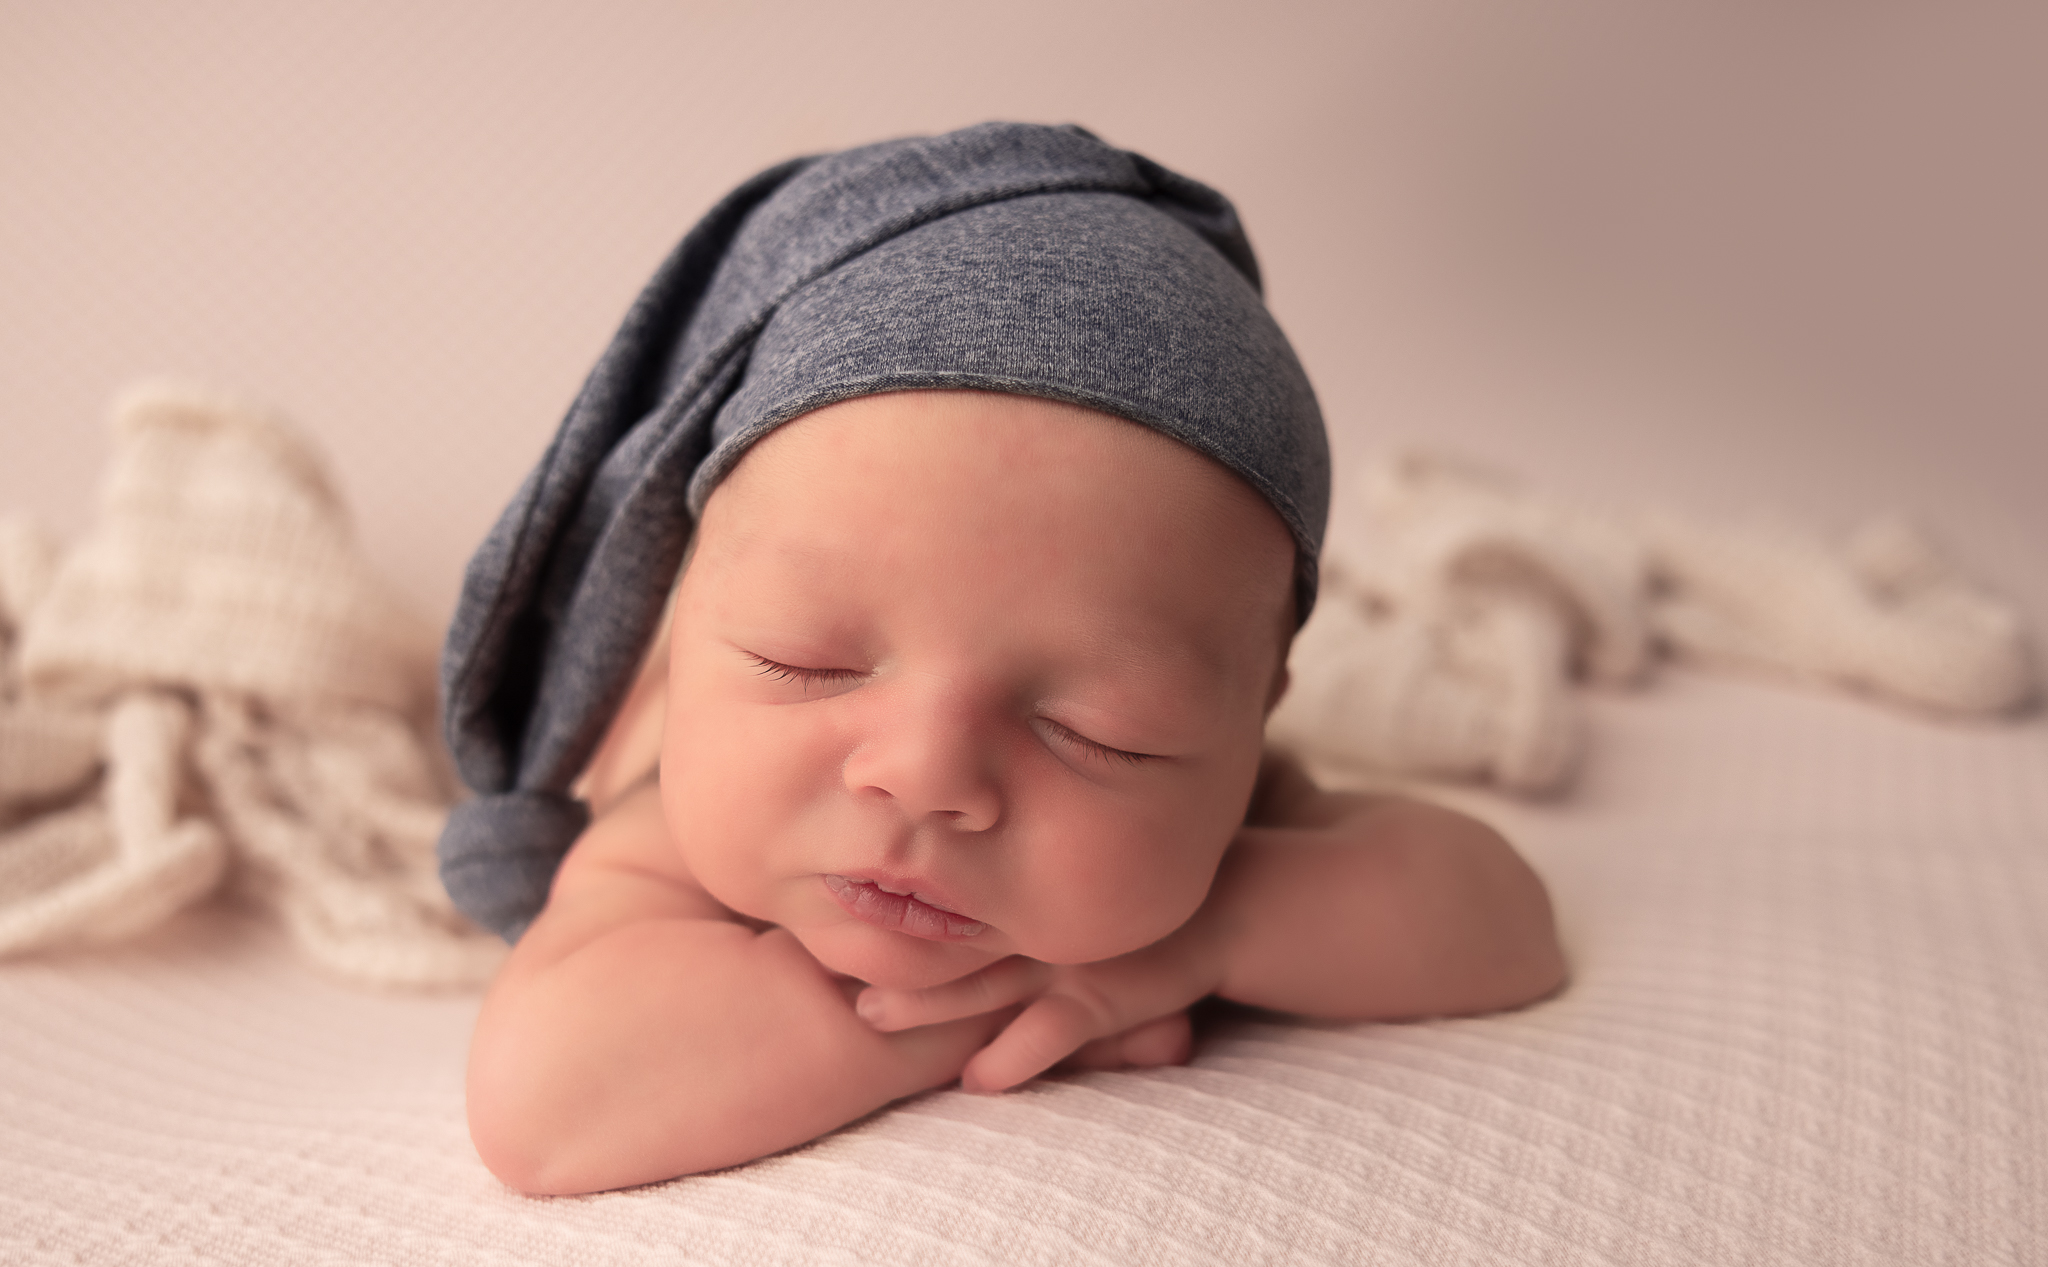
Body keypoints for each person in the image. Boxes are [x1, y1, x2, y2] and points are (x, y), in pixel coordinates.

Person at [437, 123, 1565, 1196]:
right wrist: (975, 1009)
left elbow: (1506, 922)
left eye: (1094, 727)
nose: (925, 772)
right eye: (806, 660)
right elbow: (549, 1100)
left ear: (1252, 717)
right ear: (679, 622)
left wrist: (1219, 930)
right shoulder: (675, 822)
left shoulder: (1205, 810)